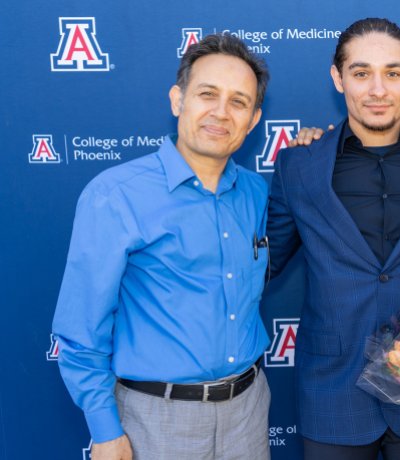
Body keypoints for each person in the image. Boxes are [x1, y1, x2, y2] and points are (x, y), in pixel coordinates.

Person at [267, 17, 400, 460]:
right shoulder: (299, 166)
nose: (378, 90)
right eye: (361, 73)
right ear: (338, 78)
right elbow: (263, 266)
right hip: (331, 389)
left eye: (393, 73)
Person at [52, 33, 271, 460]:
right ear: (177, 99)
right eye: (207, 94)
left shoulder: (255, 192)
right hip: (154, 421)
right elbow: (81, 331)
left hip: (248, 413)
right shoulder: (115, 195)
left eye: (239, 102)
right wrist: (104, 430)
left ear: (254, 118)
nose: (221, 113)